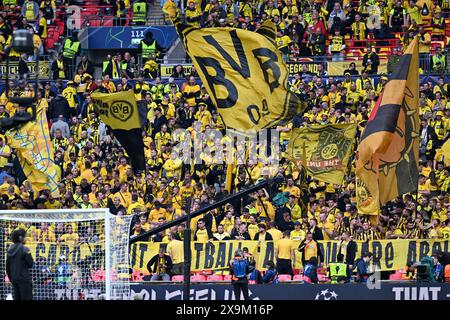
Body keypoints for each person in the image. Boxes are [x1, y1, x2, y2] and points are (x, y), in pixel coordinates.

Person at [6, 229, 34, 300]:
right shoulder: (25, 249)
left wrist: (11, 278)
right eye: (25, 237)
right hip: (24, 279)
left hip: (14, 279)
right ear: (20, 238)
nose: (26, 239)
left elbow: (7, 266)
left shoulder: (9, 249)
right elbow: (31, 264)